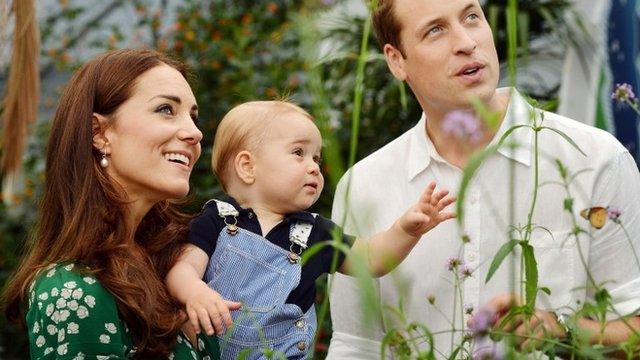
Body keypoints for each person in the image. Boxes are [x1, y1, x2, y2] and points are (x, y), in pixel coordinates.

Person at [326, 0, 640, 358]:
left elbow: (634, 331)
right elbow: (356, 343)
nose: (465, 42)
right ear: (397, 60)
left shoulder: (596, 159)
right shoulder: (364, 184)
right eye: (435, 30)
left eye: (471, 17)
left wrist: (563, 332)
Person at [165, 100, 456, 359]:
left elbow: (371, 260)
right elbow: (182, 269)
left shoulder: (315, 232)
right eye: (298, 153)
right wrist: (194, 292)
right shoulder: (217, 219)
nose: (314, 167)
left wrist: (405, 230)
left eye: (316, 158)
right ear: (247, 166)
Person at [2, 49, 219, 359]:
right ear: (99, 133)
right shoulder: (71, 289)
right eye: (166, 109)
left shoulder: (181, 265)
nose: (195, 133)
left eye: (193, 116)